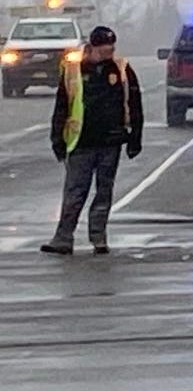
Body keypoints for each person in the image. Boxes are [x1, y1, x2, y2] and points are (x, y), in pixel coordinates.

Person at [42, 25, 143, 256]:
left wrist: (135, 137)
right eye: (106, 47)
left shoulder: (122, 69)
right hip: (81, 142)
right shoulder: (73, 70)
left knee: (104, 191)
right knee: (75, 192)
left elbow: (135, 104)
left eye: (112, 46)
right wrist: (57, 138)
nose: (110, 51)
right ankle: (63, 239)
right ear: (94, 46)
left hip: (111, 141)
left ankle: (99, 238)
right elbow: (62, 106)